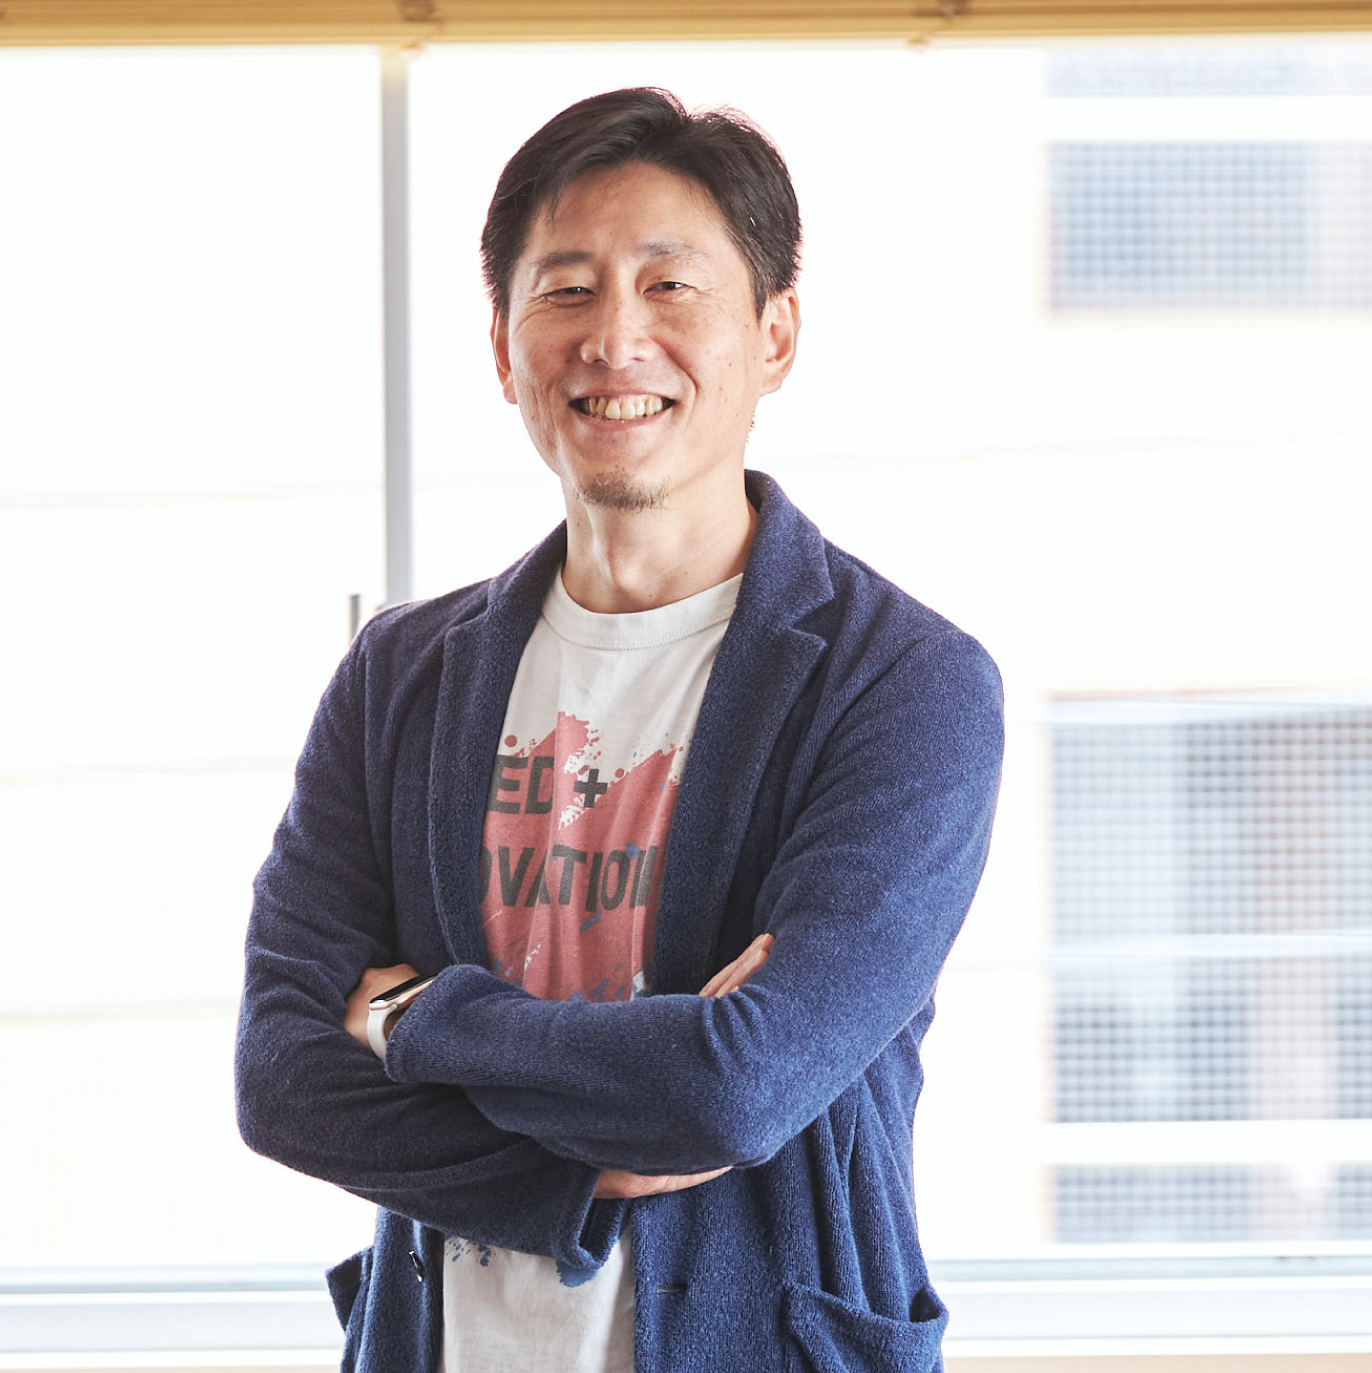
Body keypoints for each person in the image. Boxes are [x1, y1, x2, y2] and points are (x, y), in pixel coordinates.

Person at [235, 86, 1004, 1373]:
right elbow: (282, 1077)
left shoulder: (902, 682)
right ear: (503, 346)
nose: (615, 338)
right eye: (568, 290)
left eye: (669, 286)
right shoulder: (398, 675)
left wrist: (417, 1020)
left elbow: (733, 1086)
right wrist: (589, 1154)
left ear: (774, 336)